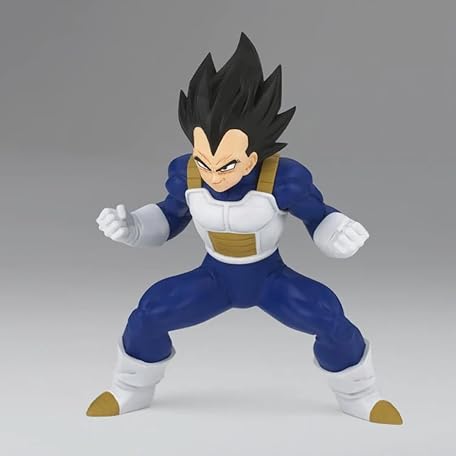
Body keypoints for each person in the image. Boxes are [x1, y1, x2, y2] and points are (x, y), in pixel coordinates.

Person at [87, 33, 402, 425]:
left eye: (227, 165)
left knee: (329, 317)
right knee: (149, 312)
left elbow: (318, 217)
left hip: (270, 279)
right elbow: (169, 217)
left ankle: (361, 395)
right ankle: (130, 389)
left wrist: (339, 233)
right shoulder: (186, 173)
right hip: (214, 278)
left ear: (253, 157)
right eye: (204, 160)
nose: (214, 175)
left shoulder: (282, 179)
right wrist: (132, 227)